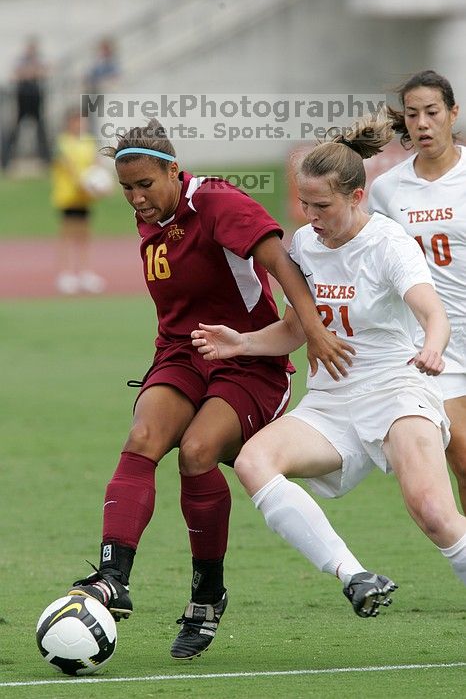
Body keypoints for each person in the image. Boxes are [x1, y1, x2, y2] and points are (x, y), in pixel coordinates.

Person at [65, 118, 355, 660]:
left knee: (196, 452)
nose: (135, 198)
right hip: (181, 354)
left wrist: (312, 333)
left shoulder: (218, 201)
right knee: (142, 437)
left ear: (174, 171)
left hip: (248, 361)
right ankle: (112, 578)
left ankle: (206, 595)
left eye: (145, 185)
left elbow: (281, 262)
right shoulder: (149, 214)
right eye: (126, 188)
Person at [191, 110, 466, 616]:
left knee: (433, 513)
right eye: (304, 204)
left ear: (357, 197)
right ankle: (354, 575)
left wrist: (431, 344)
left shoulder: (388, 243)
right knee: (254, 461)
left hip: (397, 391)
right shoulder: (306, 245)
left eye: (322, 205)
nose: (311, 216)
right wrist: (242, 343)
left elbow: (433, 310)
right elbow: (300, 327)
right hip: (332, 404)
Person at [368, 70, 466, 514]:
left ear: (452, 113)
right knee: (463, 458)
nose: (422, 123)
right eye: (412, 114)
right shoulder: (388, 188)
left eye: (432, 112)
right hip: (434, 346)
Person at [51, 107, 107, 294]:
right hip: (68, 195)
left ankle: (85, 273)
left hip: (85, 197)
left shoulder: (89, 142)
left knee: (84, 235)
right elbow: (68, 166)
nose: (80, 125)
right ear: (69, 122)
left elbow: (96, 164)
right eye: (77, 121)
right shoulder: (62, 142)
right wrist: (84, 182)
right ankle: (66, 274)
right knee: (68, 234)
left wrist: (101, 184)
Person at [1, 37, 50, 170]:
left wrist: (31, 72)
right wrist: (30, 72)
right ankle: (6, 160)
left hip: (35, 98)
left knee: (41, 131)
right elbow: (16, 74)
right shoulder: (21, 60)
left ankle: (47, 160)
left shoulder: (39, 60)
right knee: (14, 131)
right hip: (22, 98)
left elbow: (43, 72)